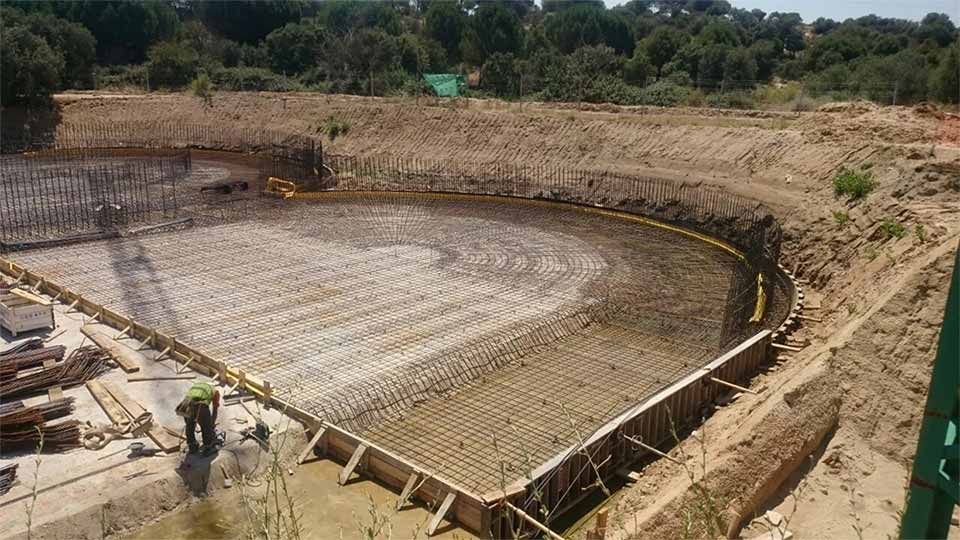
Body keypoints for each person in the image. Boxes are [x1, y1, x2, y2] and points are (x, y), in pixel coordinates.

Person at [175, 381, 220, 456]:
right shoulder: (215, 392)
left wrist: (198, 419)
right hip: (200, 404)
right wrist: (211, 424)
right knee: (206, 426)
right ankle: (208, 446)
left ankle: (192, 445)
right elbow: (215, 409)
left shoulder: (197, 385)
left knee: (189, 425)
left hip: (185, 404)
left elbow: (195, 413)